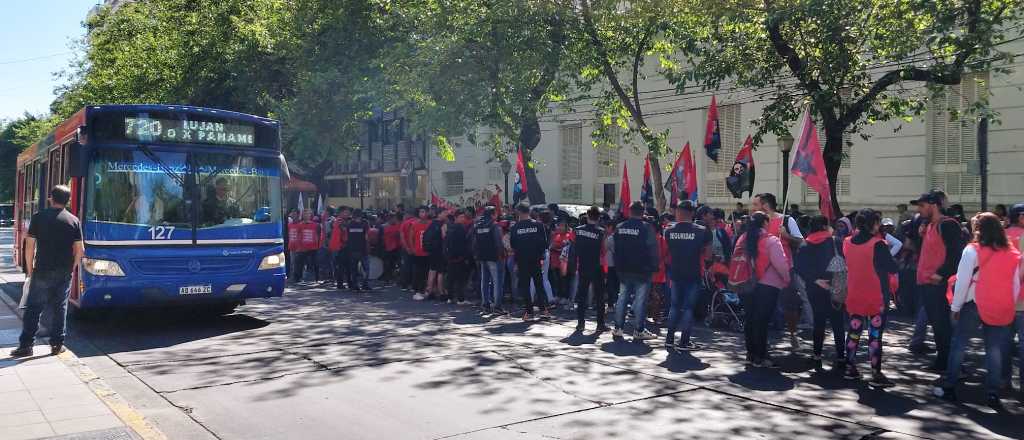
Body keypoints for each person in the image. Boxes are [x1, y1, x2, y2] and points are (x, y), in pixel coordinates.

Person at [935, 212, 1020, 410]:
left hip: (973, 304)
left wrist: (955, 307)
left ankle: (949, 388)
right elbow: (1014, 284)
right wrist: (1008, 304)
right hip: (999, 305)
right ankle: (993, 393)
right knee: (994, 349)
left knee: (959, 345)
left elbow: (963, 281)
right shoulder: (1012, 252)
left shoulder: (972, 250)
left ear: (978, 229)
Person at [11, 186, 84, 358]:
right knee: (60, 308)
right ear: (67, 200)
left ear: (51, 198)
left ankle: (26, 345)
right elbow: (80, 249)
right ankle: (57, 344)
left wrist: (30, 270)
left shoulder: (38, 218)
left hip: (42, 269)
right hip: (63, 271)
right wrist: (71, 268)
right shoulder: (73, 221)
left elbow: (29, 246)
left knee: (34, 308)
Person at [842, 209, 899, 387]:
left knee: (853, 333)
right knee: (874, 336)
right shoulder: (878, 244)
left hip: (854, 294)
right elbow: (892, 267)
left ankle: (850, 368)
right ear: (873, 224)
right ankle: (875, 372)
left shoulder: (847, 242)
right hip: (876, 297)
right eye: (878, 222)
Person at [913, 191, 965, 372]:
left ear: (933, 205)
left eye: (922, 205)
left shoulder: (948, 225)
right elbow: (927, 252)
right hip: (927, 283)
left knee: (943, 325)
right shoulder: (929, 225)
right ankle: (944, 361)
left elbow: (956, 254)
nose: (919, 210)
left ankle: (951, 364)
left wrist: (941, 274)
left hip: (939, 284)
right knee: (937, 324)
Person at [735, 211, 791, 367]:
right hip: (768, 285)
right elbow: (781, 264)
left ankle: (751, 354)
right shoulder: (771, 240)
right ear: (766, 223)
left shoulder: (742, 238)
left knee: (750, 319)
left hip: (745, 283)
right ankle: (761, 355)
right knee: (762, 321)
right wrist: (786, 279)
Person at [794, 215, 846, 372]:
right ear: (825, 226)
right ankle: (841, 357)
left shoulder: (805, 244)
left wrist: (815, 280)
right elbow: (844, 261)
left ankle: (817, 356)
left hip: (814, 288)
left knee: (819, 321)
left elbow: (798, 267)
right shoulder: (835, 241)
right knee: (838, 323)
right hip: (835, 286)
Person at [664, 201, 711, 351]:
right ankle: (684, 342)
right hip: (694, 273)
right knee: (688, 308)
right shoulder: (703, 231)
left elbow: (666, 253)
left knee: (674, 307)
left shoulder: (668, 231)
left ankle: (669, 339)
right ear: (692, 213)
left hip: (676, 273)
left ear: (678, 212)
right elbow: (709, 255)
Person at [612, 202, 660, 342]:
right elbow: (653, 249)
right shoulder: (646, 228)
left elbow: (615, 247)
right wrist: (654, 266)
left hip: (623, 269)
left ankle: (618, 328)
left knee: (622, 298)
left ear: (629, 211)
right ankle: (638, 330)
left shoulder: (620, 227)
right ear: (642, 212)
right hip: (642, 270)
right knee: (640, 301)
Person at [510, 203, 550, 320]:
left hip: (522, 260)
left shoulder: (516, 227)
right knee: (539, 284)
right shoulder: (538, 225)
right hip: (536, 259)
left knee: (525, 286)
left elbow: (513, 244)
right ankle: (543, 310)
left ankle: (529, 312)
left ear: (520, 212)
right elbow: (544, 243)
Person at [571, 206, 607, 331]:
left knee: (582, 295)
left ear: (587, 215)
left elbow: (573, 247)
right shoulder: (601, 232)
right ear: (598, 218)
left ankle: (581, 323)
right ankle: (600, 324)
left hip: (582, 265)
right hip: (597, 266)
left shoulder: (577, 230)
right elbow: (604, 251)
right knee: (599, 296)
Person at [473, 206, 505, 314]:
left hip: (482, 256)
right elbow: (498, 242)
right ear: (492, 214)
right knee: (497, 282)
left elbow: (474, 242)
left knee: (485, 281)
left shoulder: (477, 225)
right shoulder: (494, 225)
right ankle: (497, 307)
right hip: (493, 257)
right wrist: (501, 253)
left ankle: (485, 305)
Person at [344, 209, 369, 292]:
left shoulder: (349, 224)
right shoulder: (365, 223)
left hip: (352, 249)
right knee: (366, 269)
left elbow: (346, 237)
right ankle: (365, 284)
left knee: (354, 269)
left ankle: (355, 285)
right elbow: (367, 237)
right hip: (362, 249)